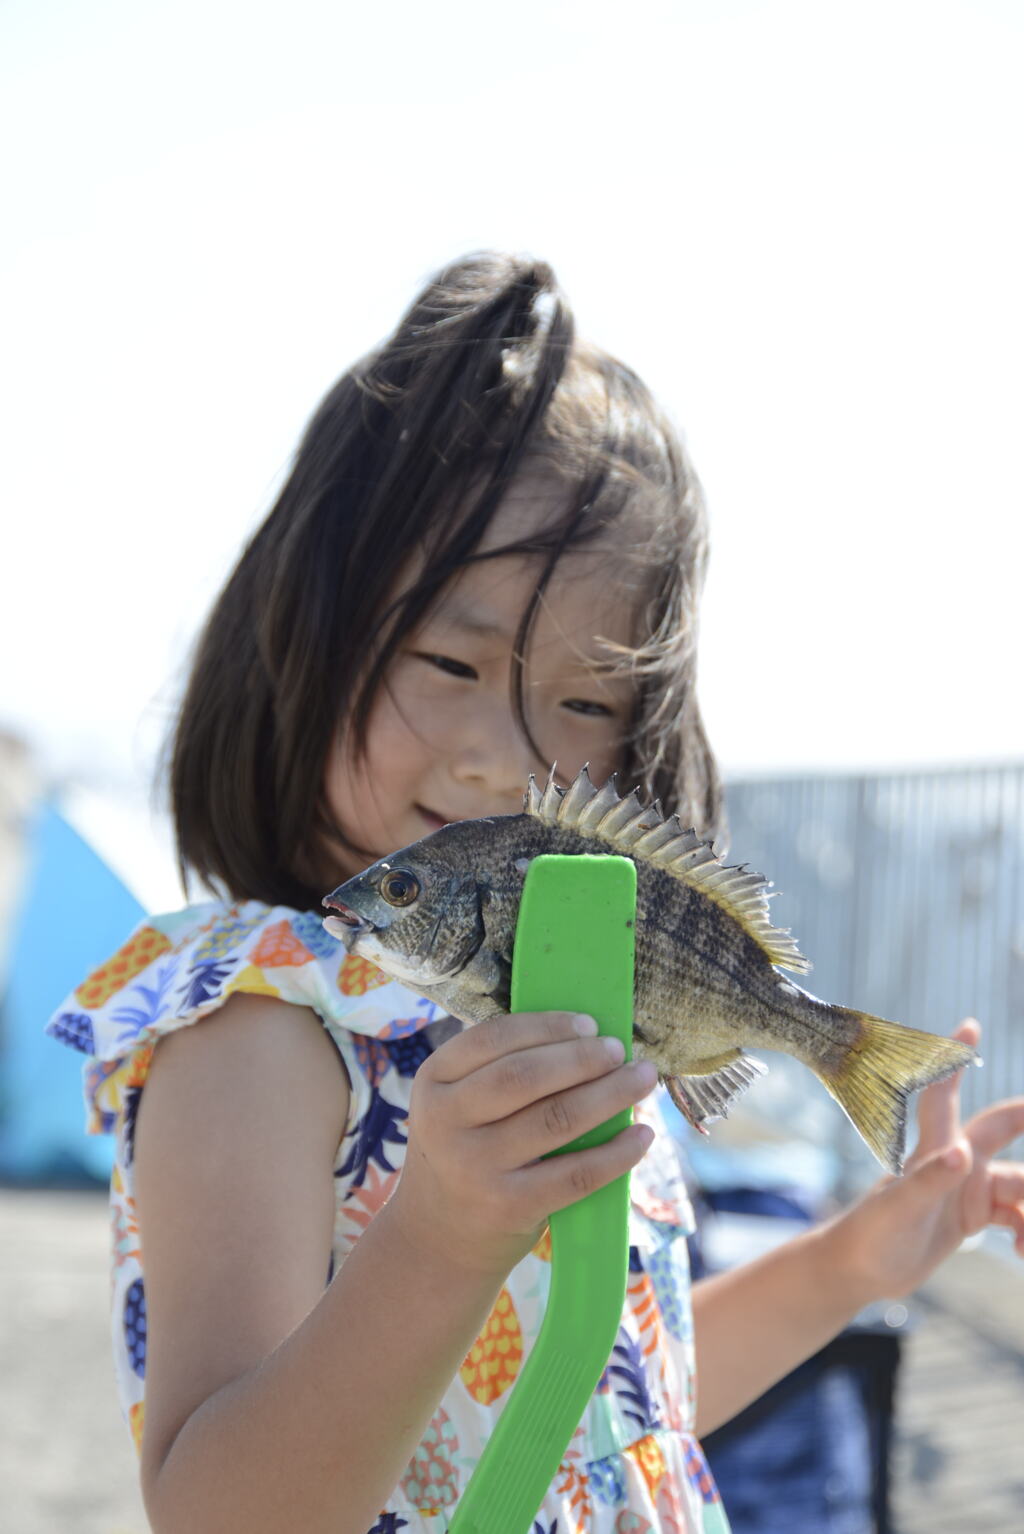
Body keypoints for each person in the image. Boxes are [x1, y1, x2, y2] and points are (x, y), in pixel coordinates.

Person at [47, 252, 1024, 1534]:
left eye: (585, 704)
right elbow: (224, 1512)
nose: (504, 760)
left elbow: (614, 1403)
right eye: (448, 658)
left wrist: (849, 1266)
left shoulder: (573, 1006)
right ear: (299, 633)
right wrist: (439, 1238)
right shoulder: (259, 1031)